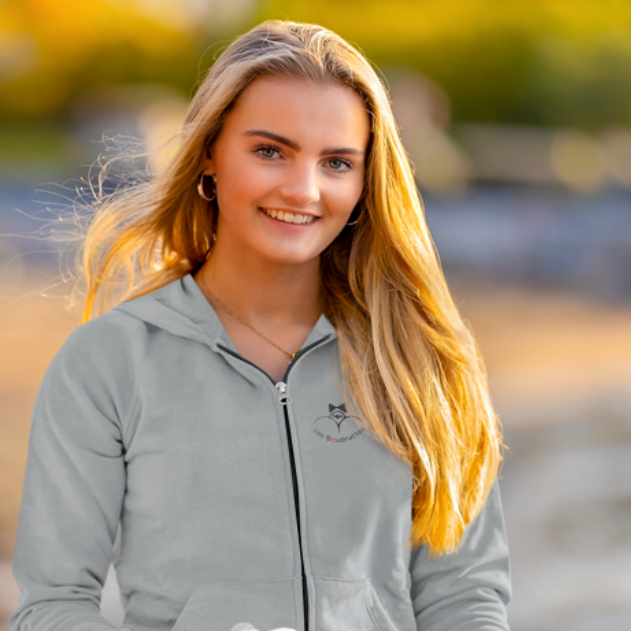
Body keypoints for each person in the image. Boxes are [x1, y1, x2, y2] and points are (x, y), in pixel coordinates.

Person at [9, 20, 511, 631]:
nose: (303, 190)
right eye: (270, 151)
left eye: (336, 162)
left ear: (364, 181)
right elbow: (52, 606)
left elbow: (465, 597)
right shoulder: (110, 361)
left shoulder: (420, 356)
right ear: (209, 155)